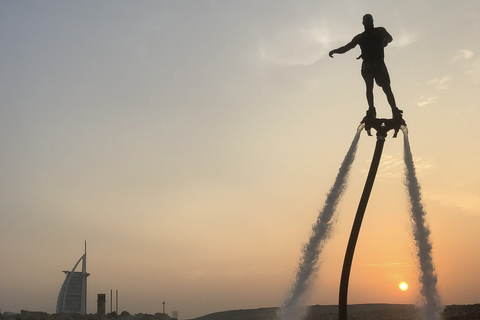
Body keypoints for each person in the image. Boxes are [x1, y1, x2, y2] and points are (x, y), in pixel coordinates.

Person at [329, 14, 402, 118]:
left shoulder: (379, 31)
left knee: (386, 88)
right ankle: (372, 110)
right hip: (368, 64)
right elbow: (347, 47)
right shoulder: (361, 37)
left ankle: (394, 110)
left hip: (378, 63)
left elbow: (390, 38)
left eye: (369, 20)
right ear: (363, 23)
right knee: (369, 87)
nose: (368, 23)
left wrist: (385, 41)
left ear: (372, 21)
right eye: (366, 21)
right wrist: (335, 51)